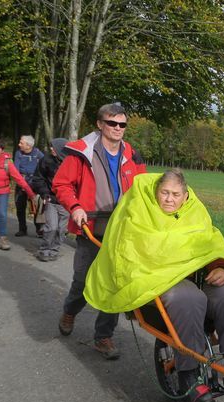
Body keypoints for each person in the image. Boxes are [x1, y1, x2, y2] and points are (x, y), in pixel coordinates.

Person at [84, 169, 224, 402]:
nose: (169, 199)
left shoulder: (195, 213)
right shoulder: (140, 213)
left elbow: (210, 244)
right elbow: (127, 253)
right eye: (164, 193)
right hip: (156, 282)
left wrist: (222, 268)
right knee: (190, 299)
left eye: (175, 194)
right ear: (156, 192)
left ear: (186, 196)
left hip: (192, 275)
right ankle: (188, 376)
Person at [52, 103, 146, 359]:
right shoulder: (82, 153)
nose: (117, 128)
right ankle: (70, 312)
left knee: (114, 284)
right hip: (91, 227)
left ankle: (103, 337)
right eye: (112, 123)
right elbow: (61, 184)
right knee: (83, 281)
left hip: (122, 231)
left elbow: (143, 188)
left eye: (122, 124)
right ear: (100, 124)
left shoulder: (132, 154)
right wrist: (75, 206)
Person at [0, 139, 35, 250]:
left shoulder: (7, 162)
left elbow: (19, 178)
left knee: (2, 215)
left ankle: (3, 237)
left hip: (2, 193)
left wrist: (31, 193)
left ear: (2, 150)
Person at [30, 138, 70, 262]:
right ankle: (44, 250)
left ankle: (54, 250)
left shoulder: (72, 162)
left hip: (66, 202)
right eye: (50, 147)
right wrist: (44, 193)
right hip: (51, 200)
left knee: (61, 229)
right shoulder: (46, 160)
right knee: (51, 227)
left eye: (54, 147)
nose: (51, 149)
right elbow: (38, 178)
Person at [13, 135, 45, 237]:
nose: (19, 145)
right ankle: (22, 229)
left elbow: (44, 166)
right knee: (20, 207)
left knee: (36, 207)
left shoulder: (38, 154)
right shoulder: (18, 153)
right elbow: (16, 170)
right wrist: (22, 183)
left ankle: (39, 229)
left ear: (28, 146)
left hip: (34, 184)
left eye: (21, 143)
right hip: (21, 183)